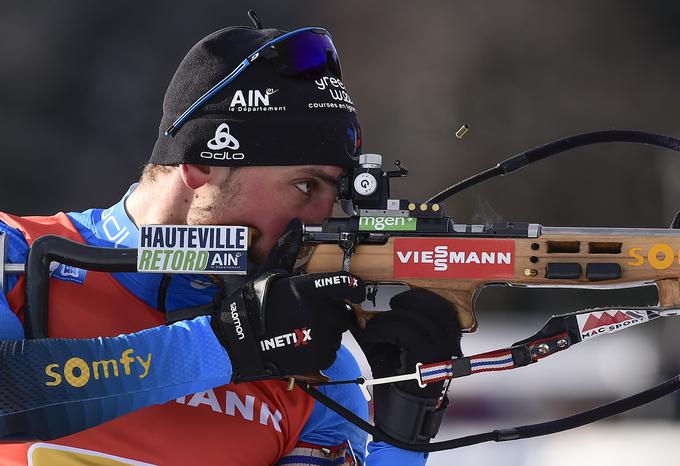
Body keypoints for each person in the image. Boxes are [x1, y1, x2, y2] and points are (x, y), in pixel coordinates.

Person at [0, 17, 462, 465]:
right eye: (306, 186)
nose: (323, 219)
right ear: (202, 165)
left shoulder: (316, 367)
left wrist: (403, 433)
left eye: (335, 194)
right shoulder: (13, 252)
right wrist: (226, 344)